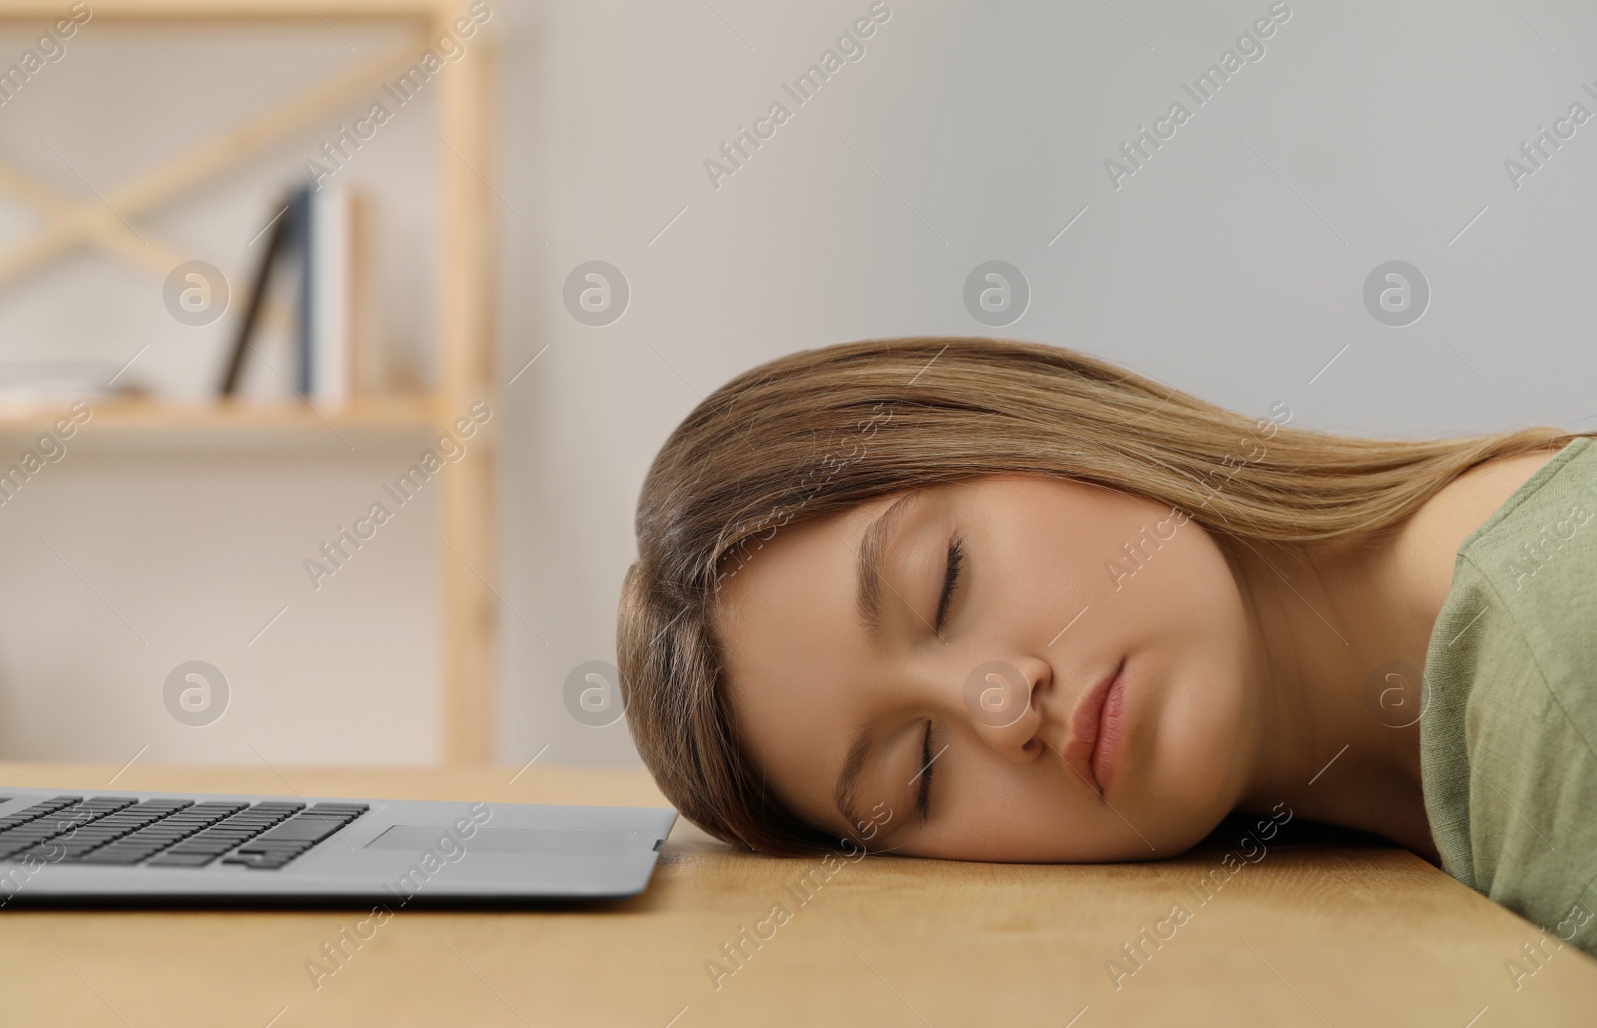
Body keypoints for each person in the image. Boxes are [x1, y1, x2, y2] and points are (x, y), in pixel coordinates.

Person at [616, 336, 1597, 952]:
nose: (999, 705)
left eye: (944, 579)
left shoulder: (1555, 666)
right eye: (916, 772)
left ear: (1037, 431)